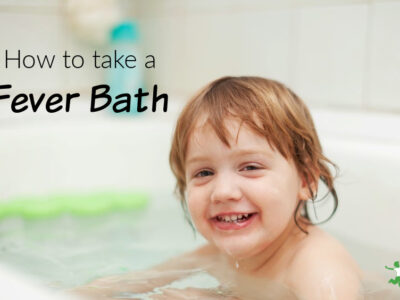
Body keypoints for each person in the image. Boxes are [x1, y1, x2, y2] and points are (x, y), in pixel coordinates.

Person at [72, 76, 363, 300]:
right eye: (204, 172)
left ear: (306, 181)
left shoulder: (318, 267)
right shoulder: (215, 255)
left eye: (250, 167)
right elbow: (133, 281)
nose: (223, 192)